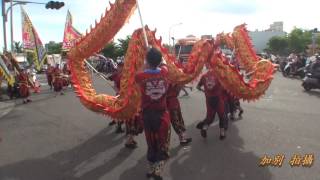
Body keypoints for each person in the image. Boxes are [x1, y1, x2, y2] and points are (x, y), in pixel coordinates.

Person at [135, 47, 170, 180]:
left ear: (147, 61)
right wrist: (160, 60)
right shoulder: (165, 73)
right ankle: (158, 169)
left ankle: (151, 168)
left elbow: (138, 73)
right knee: (162, 142)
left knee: (150, 142)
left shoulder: (140, 76)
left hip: (147, 115)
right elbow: (165, 64)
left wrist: (145, 65)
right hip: (162, 114)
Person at [196, 69, 228, 140]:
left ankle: (204, 128)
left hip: (209, 99)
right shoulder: (219, 76)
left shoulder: (204, 76)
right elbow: (225, 86)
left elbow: (197, 87)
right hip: (218, 99)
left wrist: (204, 91)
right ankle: (222, 134)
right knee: (222, 116)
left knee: (210, 117)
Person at [107, 61, 124, 133]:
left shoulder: (126, 75)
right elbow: (108, 78)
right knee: (117, 109)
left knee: (121, 110)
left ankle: (119, 124)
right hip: (118, 94)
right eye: (118, 66)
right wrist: (100, 74)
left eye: (121, 66)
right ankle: (117, 123)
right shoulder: (116, 74)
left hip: (124, 94)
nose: (119, 67)